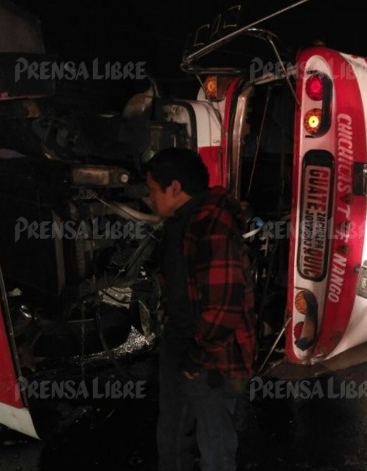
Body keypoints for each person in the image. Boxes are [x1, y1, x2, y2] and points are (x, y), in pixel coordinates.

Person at [145, 147, 257, 471]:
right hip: (182, 340)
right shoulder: (182, 219)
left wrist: (197, 354)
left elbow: (225, 306)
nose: (150, 199)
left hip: (211, 355)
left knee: (215, 440)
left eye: (153, 190)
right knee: (174, 425)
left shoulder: (212, 225)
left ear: (175, 188)